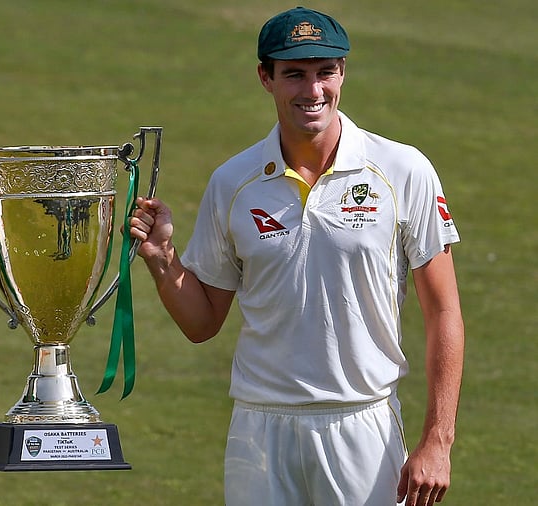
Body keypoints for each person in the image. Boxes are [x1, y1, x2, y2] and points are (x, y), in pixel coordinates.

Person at [129, 7, 464, 506]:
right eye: (294, 74)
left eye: (325, 72)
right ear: (266, 78)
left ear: (343, 72)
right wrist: (162, 259)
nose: (313, 91)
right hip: (258, 429)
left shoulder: (402, 169)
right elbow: (202, 324)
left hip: (362, 423)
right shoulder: (233, 182)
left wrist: (438, 440)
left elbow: (443, 311)